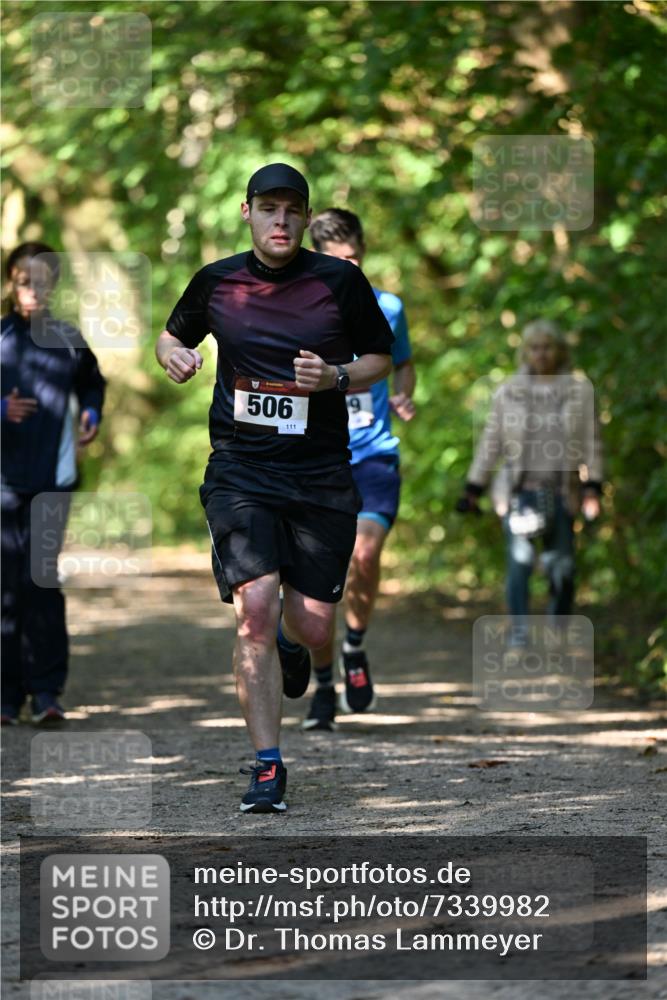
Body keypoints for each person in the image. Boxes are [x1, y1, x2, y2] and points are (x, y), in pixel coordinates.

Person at [155, 164, 393, 813]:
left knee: (312, 624)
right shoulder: (217, 281)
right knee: (254, 608)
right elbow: (171, 334)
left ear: (306, 218)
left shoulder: (339, 281)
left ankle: (296, 645)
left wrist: (335, 377)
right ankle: (267, 765)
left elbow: (380, 359)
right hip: (241, 469)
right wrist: (172, 354)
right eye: (268, 208)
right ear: (247, 212)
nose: (280, 220)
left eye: (291, 210)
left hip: (320, 474)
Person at [304, 208, 416, 730]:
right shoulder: (300, 309)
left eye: (354, 257)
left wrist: (404, 395)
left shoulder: (388, 307)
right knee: (315, 579)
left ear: (364, 252)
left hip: (373, 455)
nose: (348, 268)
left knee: (364, 554)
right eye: (336, 261)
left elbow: (403, 363)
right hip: (316, 459)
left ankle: (354, 646)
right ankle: (323, 685)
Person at [1, 241, 106, 725]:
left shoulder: (68, 339)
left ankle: (45, 692)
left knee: (40, 579)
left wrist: (91, 412)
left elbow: (93, 383)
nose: (33, 291)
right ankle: (6, 695)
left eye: (42, 283)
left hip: (53, 477)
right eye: (25, 282)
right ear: (11, 282)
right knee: (6, 584)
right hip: (3, 480)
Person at [457, 319, 602, 636]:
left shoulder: (579, 391)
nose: (541, 354)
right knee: (519, 565)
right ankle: (520, 634)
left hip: (562, 491)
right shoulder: (508, 391)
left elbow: (592, 442)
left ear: (559, 350)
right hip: (517, 492)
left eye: (547, 347)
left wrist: (593, 487)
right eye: (534, 348)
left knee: (562, 570)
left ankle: (557, 632)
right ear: (526, 352)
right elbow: (491, 442)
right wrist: (474, 487)